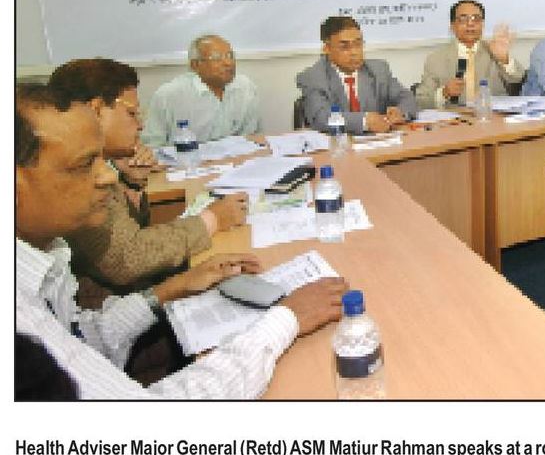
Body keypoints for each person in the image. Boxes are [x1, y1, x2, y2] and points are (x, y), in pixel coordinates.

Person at [15, 84, 347, 398]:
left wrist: (174, 287)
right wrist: (285, 320)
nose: (107, 176)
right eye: (85, 164)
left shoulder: (45, 255)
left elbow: (85, 337)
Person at [48, 58, 248, 292]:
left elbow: (128, 233)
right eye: (131, 113)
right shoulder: (75, 172)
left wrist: (132, 183)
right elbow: (127, 258)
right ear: (96, 111)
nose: (140, 125)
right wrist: (213, 219)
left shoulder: (100, 163)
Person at [297, 16, 418, 134]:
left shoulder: (378, 70)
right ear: (327, 49)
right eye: (344, 47)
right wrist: (364, 121)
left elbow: (407, 97)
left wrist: (400, 112)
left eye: (358, 44)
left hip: (379, 143)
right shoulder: (313, 77)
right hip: (338, 144)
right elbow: (321, 117)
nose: (354, 52)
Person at [141, 35, 261, 147]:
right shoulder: (168, 96)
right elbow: (152, 146)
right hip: (186, 160)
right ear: (195, 65)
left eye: (230, 56)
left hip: (236, 159)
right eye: (216, 58)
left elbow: (251, 138)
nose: (228, 63)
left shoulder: (246, 88)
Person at [415, 0, 525, 109]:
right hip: (455, 117)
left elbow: (518, 80)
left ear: (482, 24)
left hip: (492, 115)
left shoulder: (494, 50)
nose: (470, 24)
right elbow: (421, 100)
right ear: (452, 26)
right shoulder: (436, 59)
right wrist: (444, 93)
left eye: (476, 19)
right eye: (463, 19)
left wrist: (504, 59)